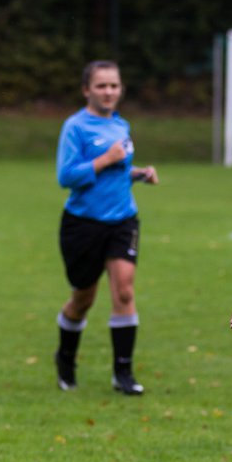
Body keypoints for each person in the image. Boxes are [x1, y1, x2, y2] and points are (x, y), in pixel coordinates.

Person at [53, 60, 158, 396]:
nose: (109, 91)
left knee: (124, 290)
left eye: (114, 85)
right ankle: (65, 357)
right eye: (101, 86)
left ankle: (123, 374)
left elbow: (116, 172)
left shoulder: (121, 125)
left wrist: (139, 173)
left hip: (122, 220)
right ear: (87, 90)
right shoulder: (75, 127)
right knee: (83, 298)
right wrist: (105, 160)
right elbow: (66, 177)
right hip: (82, 224)